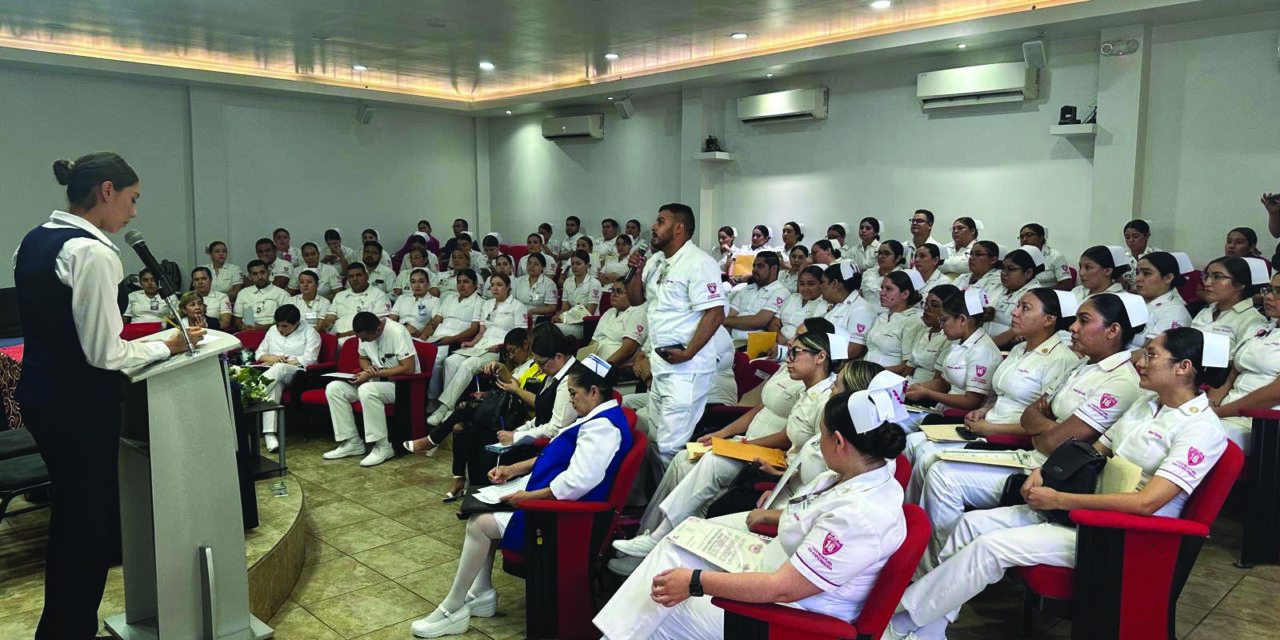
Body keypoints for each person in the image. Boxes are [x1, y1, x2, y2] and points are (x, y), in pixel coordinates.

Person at [888, 327, 1230, 640]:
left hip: (1123, 535)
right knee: (968, 524)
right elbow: (1092, 451)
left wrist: (1061, 499)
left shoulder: (1200, 428)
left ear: (1184, 367)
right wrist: (1047, 473)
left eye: (1152, 354)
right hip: (1083, 507)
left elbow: (1147, 503)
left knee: (992, 547)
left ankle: (899, 621)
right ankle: (925, 630)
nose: (1140, 360)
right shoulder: (1147, 403)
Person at [14, 152, 204, 639]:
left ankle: (61, 627)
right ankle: (68, 631)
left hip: (41, 396)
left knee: (73, 519)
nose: (134, 212)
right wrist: (168, 342)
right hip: (80, 405)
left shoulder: (33, 240)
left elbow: (70, 336)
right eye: (132, 199)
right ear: (106, 191)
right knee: (87, 528)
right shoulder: (93, 252)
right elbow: (104, 353)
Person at [594, 387, 908, 640]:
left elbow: (783, 589)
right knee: (673, 545)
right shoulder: (864, 466)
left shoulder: (860, 515)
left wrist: (695, 582)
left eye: (821, 435)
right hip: (776, 564)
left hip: (791, 617)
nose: (817, 443)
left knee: (657, 607)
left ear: (838, 441)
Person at [916, 293, 1145, 571]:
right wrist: (1050, 429)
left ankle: (930, 568)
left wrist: (1046, 430)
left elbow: (1055, 441)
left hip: (1052, 475)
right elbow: (1030, 415)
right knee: (930, 460)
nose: (1072, 327)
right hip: (1034, 458)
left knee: (942, 475)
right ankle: (928, 563)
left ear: (1113, 330)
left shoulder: (1120, 381)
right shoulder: (1080, 365)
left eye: (1083, 321)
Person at [411, 357, 631, 638]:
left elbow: (575, 485)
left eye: (573, 394)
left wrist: (527, 496)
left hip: (565, 521)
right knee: (480, 511)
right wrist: (514, 469)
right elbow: (557, 455)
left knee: (479, 524)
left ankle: (453, 607)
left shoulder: (602, 428)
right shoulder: (597, 417)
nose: (571, 400)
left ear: (594, 392)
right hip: (555, 505)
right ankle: (481, 592)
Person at [609, 325, 838, 576]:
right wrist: (728, 437)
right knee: (683, 460)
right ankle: (651, 534)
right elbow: (773, 419)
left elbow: (805, 454)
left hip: (777, 467)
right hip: (762, 453)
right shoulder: (806, 388)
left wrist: (751, 451)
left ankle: (661, 539)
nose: (789, 356)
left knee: (709, 464)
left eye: (796, 351)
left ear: (821, 357)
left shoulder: (825, 400)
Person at [903, 289, 1079, 501]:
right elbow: (1001, 395)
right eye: (1017, 306)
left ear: (1049, 320)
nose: (1014, 313)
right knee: (916, 444)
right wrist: (983, 411)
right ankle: (910, 512)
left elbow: (1042, 423)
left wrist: (991, 427)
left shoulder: (1060, 360)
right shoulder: (1019, 349)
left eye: (1025, 308)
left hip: (1007, 437)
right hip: (985, 426)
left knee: (927, 458)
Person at [624, 203, 727, 466]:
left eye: (660, 222)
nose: (654, 228)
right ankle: (656, 503)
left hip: (687, 368)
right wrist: (635, 271)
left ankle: (669, 507)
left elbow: (715, 313)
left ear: (679, 228)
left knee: (670, 447)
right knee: (656, 441)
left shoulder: (698, 263)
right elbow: (635, 300)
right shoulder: (656, 261)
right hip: (662, 366)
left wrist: (689, 352)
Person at [404, 328, 545, 497]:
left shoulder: (534, 368)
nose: (512, 356)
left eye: (513, 351)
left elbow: (519, 390)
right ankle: (462, 481)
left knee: (466, 412)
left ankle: (433, 440)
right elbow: (508, 389)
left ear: (526, 345)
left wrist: (503, 370)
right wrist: (487, 395)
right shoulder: (521, 367)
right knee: (462, 426)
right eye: (508, 353)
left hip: (516, 416)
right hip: (504, 409)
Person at [428, 274, 529, 426]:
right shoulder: (487, 304)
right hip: (481, 345)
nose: (495, 288)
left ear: (508, 287)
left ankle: (444, 408)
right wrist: (472, 343)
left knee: (468, 365)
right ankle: (452, 405)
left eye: (499, 285)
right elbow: (482, 331)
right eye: (492, 285)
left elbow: (520, 334)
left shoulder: (517, 306)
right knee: (451, 361)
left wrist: (502, 346)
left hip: (498, 349)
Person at [322, 312, 419, 467]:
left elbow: (408, 368)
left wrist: (373, 374)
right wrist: (367, 369)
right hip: (375, 381)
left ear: (378, 329)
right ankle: (352, 442)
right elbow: (363, 358)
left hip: (402, 386)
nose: (362, 341)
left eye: (365, 338)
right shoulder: (365, 333)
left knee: (367, 390)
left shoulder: (397, 332)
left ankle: (383, 447)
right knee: (334, 388)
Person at [1210, 270, 1280, 452]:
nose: (1269, 297)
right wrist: (1211, 403)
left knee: (1194, 433)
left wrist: (1218, 413)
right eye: (1269, 290)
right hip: (1227, 413)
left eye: (1278, 292)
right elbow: (1232, 373)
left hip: (1263, 423)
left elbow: (1275, 393)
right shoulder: (1260, 328)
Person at [905, 289, 1002, 415]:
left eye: (944, 320)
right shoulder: (958, 342)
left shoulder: (982, 351)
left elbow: (972, 402)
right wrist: (912, 388)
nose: (941, 325)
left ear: (962, 320)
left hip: (962, 417)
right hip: (944, 410)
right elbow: (944, 383)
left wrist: (928, 393)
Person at [255, 304, 321, 452]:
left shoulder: (310, 333)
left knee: (279, 368)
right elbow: (259, 353)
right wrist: (273, 359)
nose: (280, 329)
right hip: (273, 372)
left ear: (296, 323)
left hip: (298, 374)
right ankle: (270, 435)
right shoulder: (272, 331)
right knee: (275, 386)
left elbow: (310, 359)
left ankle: (253, 393)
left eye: (284, 326)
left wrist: (284, 362)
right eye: (278, 325)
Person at [419, 270, 484, 402]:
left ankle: (433, 399)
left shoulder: (479, 302)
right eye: (459, 282)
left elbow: (473, 329)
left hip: (456, 339)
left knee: (435, 359)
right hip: (437, 337)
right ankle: (418, 398)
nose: (461, 285)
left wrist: (452, 339)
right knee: (417, 354)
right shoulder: (450, 298)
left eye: (466, 282)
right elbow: (435, 321)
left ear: (475, 284)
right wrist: (422, 338)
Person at [1192, 256, 1268, 346]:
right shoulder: (1205, 312)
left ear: (1239, 284)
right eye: (1206, 276)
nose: (1207, 283)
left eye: (1217, 277)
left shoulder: (1252, 319)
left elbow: (1243, 358)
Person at [865, 270, 927, 373]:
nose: (882, 293)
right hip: (866, 373)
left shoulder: (913, 322)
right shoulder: (882, 317)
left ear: (905, 294)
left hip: (887, 378)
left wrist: (873, 372)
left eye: (888, 289)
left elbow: (906, 366)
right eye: (882, 288)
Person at [1129, 251, 1194, 350]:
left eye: (1146, 273)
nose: (1138, 278)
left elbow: (1150, 351)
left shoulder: (1175, 312)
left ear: (1168, 278)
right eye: (1137, 273)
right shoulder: (1135, 303)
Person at [987, 246, 1044, 347]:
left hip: (1005, 348)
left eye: (1010, 269)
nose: (1004, 273)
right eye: (1003, 268)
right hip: (982, 342)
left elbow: (1018, 331)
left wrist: (988, 346)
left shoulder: (1036, 296)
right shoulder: (995, 287)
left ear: (1028, 273)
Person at [723, 252, 787, 340]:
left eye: (760, 266)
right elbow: (730, 316)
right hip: (732, 342)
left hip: (756, 346)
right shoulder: (746, 289)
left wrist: (723, 320)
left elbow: (758, 321)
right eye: (754, 266)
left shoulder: (780, 292)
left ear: (773, 269)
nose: (754, 270)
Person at [822, 263, 878, 360]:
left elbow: (854, 350)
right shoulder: (833, 304)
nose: (820, 286)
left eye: (822, 282)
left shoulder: (862, 309)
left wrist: (820, 358)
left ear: (835, 283)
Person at [905, 285, 958, 384]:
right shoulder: (924, 331)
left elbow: (938, 383)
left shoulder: (950, 338)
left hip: (925, 392)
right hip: (910, 385)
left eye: (934, 305)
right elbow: (909, 369)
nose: (926, 308)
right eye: (926, 303)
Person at [588, 281, 648, 365]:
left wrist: (603, 367)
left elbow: (628, 350)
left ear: (631, 294)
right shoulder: (610, 312)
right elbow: (594, 340)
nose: (613, 294)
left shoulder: (638, 313)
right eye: (612, 290)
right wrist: (584, 360)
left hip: (615, 366)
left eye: (619, 292)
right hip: (596, 361)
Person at [332, 262, 393, 343]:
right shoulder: (340, 296)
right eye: (351, 276)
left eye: (358, 275)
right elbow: (329, 318)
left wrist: (346, 334)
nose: (355, 279)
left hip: (362, 340)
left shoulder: (379, 295)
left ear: (367, 276)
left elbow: (378, 325)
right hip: (336, 338)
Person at [555, 249, 604, 339]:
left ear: (587, 265)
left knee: (554, 329)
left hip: (587, 324)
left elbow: (589, 312)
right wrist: (558, 317)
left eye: (578, 264)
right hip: (570, 321)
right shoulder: (567, 282)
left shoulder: (594, 283)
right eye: (572, 264)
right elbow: (564, 308)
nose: (574, 267)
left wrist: (566, 318)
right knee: (547, 326)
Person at [233, 259, 291, 331]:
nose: (259, 277)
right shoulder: (244, 293)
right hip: (248, 332)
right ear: (249, 277)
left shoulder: (282, 294)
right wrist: (242, 326)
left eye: (262, 272)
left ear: (269, 273)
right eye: (255, 274)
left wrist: (263, 328)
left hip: (273, 333)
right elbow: (237, 319)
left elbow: (287, 321)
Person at [776, 265, 826, 345]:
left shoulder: (823, 305)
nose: (805, 289)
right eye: (802, 284)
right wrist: (779, 337)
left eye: (811, 284)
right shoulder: (793, 297)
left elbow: (813, 336)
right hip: (778, 341)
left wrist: (788, 343)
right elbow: (775, 322)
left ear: (821, 284)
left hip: (800, 347)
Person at [1017, 224, 1073, 290]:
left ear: (1041, 237)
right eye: (1021, 237)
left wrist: (1040, 292)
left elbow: (1067, 285)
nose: (1024, 239)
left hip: (1047, 296)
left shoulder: (1055, 256)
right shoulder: (1017, 256)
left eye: (1029, 235)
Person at [389, 268, 438, 337]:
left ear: (428, 283)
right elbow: (392, 318)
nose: (417, 285)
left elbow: (434, 322)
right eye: (413, 282)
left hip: (417, 337)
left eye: (421, 281)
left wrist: (423, 334)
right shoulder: (402, 298)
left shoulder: (435, 301)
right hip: (397, 334)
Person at [512, 252, 558, 316]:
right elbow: (512, 301)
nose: (531, 266)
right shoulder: (518, 281)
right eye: (529, 263)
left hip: (537, 316)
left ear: (543, 267)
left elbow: (552, 307)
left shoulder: (549, 284)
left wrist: (533, 311)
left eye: (536, 264)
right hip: (517, 314)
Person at [861, 240, 906, 305]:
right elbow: (861, 293)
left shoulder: (902, 277)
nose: (881, 256)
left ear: (898, 258)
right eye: (879, 253)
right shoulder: (868, 273)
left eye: (886, 254)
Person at [291, 269, 337, 333]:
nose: (305, 285)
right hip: (293, 335)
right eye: (301, 282)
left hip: (313, 335)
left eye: (309, 282)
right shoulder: (292, 301)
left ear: (317, 285)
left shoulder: (324, 303)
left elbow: (319, 327)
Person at [1122, 219, 1160, 286]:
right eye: (1127, 237)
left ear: (1147, 236)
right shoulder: (1121, 256)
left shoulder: (1158, 255)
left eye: (1136, 236)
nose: (1131, 240)